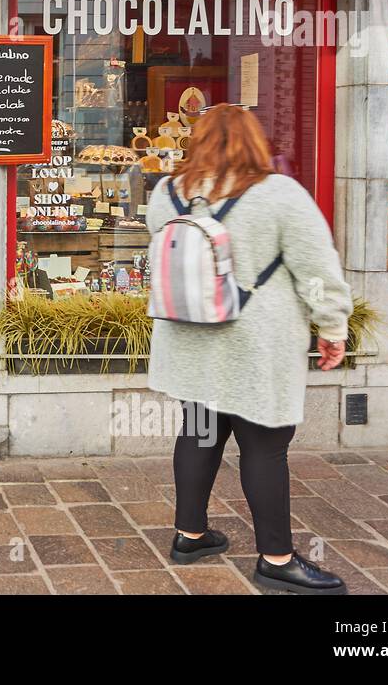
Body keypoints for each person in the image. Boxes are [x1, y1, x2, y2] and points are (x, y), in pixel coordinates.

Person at [145, 104, 353, 594]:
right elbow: (316, 270)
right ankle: (277, 560)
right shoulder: (279, 194)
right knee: (265, 448)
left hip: (188, 339)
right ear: (254, 142)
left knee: (198, 433)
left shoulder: (166, 192)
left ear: (196, 141)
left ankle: (190, 535)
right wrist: (332, 327)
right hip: (256, 345)